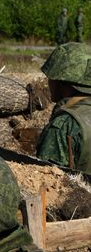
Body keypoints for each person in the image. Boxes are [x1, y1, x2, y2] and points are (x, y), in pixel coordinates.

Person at [36, 42, 91, 173]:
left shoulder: (65, 125)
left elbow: (47, 183)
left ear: (62, 82)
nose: (49, 83)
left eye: (51, 78)